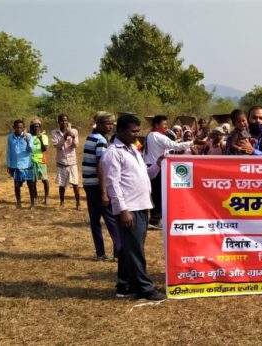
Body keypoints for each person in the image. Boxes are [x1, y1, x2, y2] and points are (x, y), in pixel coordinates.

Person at [102, 113, 167, 302]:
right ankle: (144, 289)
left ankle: (124, 285)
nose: (136, 135)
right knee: (136, 250)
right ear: (120, 130)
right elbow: (112, 184)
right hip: (129, 209)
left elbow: (144, 175)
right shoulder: (113, 153)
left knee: (129, 249)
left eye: (139, 131)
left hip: (140, 206)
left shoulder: (133, 149)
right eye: (133, 131)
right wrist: (123, 211)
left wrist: (157, 164)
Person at [144, 115, 195, 228]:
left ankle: (155, 218)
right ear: (157, 125)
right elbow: (175, 146)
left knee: (155, 193)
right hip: (157, 166)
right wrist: (192, 143)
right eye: (164, 124)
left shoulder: (150, 134)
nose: (166, 126)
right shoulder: (158, 136)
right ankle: (155, 220)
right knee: (158, 194)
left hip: (151, 165)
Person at [83, 112, 121, 261]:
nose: (110, 127)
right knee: (111, 219)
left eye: (112, 124)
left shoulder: (90, 137)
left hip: (88, 183)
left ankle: (100, 253)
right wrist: (104, 191)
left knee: (95, 220)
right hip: (97, 185)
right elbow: (101, 166)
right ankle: (119, 252)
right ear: (99, 124)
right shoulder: (100, 140)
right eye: (107, 124)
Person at [50, 114, 80, 210]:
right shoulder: (54, 132)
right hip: (61, 161)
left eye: (66, 120)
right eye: (62, 120)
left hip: (72, 161)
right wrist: (65, 136)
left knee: (75, 183)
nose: (64, 122)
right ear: (58, 122)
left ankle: (78, 203)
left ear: (68, 121)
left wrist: (73, 136)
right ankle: (62, 202)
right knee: (62, 184)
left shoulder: (74, 131)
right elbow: (57, 146)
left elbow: (76, 145)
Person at [7, 119, 36, 209]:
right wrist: (9, 164)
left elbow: (31, 150)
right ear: (14, 128)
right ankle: (18, 202)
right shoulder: (10, 137)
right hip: (15, 165)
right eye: (17, 127)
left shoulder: (29, 136)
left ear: (23, 128)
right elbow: (9, 151)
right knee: (17, 185)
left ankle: (32, 203)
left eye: (21, 128)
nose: (19, 129)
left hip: (27, 165)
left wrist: (27, 141)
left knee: (30, 184)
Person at [29, 119, 50, 204]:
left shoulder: (44, 136)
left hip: (41, 160)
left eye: (38, 126)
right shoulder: (29, 137)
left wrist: (40, 138)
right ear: (31, 128)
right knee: (33, 181)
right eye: (34, 126)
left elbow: (44, 149)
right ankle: (35, 198)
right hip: (31, 161)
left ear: (40, 127)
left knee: (44, 180)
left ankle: (46, 198)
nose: (36, 128)